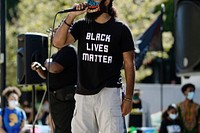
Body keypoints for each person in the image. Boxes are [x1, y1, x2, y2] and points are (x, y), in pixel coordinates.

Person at [53, 0, 136, 132]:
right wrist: (71, 15)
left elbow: (129, 64)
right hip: (82, 95)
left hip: (109, 94)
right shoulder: (82, 25)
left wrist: (128, 98)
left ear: (107, 1)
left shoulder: (121, 29)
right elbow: (57, 42)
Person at [31, 43, 77, 133]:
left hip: (65, 99)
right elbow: (48, 74)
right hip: (55, 99)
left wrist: (48, 63)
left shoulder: (69, 50)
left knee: (65, 128)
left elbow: (55, 68)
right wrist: (39, 68)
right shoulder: (55, 55)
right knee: (57, 128)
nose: (53, 36)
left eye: (55, 32)